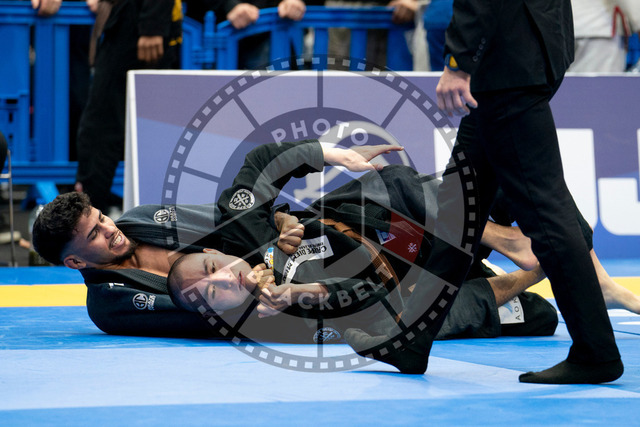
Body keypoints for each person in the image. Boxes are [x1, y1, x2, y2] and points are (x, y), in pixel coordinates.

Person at [345, 0, 624, 384]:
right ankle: (411, 340)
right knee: (458, 211)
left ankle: (596, 352)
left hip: (505, 62)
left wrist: (458, 62)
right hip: (523, 53)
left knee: (544, 211)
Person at [74, 0, 183, 215]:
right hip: (138, 21)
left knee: (103, 126)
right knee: (122, 126)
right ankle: (94, 213)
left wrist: (152, 23)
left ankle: (90, 216)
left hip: (138, 25)